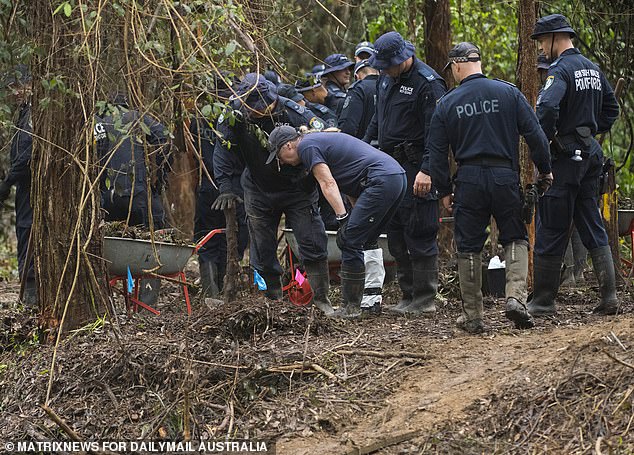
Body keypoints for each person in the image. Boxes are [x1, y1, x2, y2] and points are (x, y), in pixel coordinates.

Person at [426, 42, 552, 333]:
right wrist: (545, 170)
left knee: (469, 245)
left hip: (468, 180)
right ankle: (516, 299)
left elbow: (436, 152)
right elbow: (536, 136)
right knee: (515, 236)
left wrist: (444, 191)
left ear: (457, 66)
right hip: (504, 176)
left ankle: (473, 316)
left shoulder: (446, 103)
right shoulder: (508, 93)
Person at [212, 73, 333, 315]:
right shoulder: (233, 115)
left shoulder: (294, 111)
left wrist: (316, 177)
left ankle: (321, 298)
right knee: (262, 245)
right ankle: (272, 299)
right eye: (251, 107)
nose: (257, 111)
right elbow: (222, 149)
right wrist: (225, 185)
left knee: (311, 240)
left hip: (298, 188)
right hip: (258, 188)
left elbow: (325, 138)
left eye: (262, 106)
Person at [528, 14, 620, 316]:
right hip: (590, 156)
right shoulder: (593, 68)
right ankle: (609, 297)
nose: (542, 48)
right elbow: (611, 108)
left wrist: (550, 140)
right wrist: (589, 133)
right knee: (591, 220)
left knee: (552, 223)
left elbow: (547, 108)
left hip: (566, 157)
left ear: (555, 38)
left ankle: (542, 300)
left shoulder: (561, 70)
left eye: (542, 41)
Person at [266, 127, 406, 318]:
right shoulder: (319, 142)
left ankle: (351, 307)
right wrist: (353, 215)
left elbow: (328, 183)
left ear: (288, 145)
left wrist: (343, 219)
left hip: (380, 179)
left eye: (279, 155)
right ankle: (371, 302)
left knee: (349, 240)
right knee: (367, 239)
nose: (281, 162)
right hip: (395, 176)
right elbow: (351, 181)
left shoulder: (307, 146)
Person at [363, 31, 447, 317]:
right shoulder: (387, 79)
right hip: (389, 166)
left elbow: (437, 134)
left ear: (403, 58)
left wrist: (427, 170)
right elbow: (378, 118)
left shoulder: (428, 84)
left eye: (388, 64)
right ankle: (408, 292)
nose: (383, 69)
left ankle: (424, 297)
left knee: (420, 231)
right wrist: (365, 149)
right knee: (396, 231)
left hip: (417, 165)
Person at [99, 94, 172, 306]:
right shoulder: (136, 117)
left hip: (106, 199)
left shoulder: (95, 122)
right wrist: (161, 173)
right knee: (154, 242)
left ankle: (108, 304)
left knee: (112, 248)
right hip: (136, 194)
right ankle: (147, 305)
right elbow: (164, 138)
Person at [191, 74, 248, 298]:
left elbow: (191, 155)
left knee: (207, 238)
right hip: (235, 185)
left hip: (208, 182)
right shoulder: (238, 116)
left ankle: (210, 293)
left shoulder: (198, 119)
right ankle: (226, 292)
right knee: (231, 237)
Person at [537, 53, 588, 288]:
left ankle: (573, 274)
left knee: (562, 216)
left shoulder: (559, 87)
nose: (542, 74)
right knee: (574, 215)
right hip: (574, 155)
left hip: (564, 158)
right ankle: (572, 274)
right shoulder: (550, 88)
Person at [0, 65, 36, 308]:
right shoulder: (23, 113)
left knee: (28, 234)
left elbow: (25, 156)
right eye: (12, 88)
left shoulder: (34, 114)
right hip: (25, 191)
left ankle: (31, 299)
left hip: (32, 191)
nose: (15, 93)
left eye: (19, 87)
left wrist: (7, 183)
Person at [338, 60, 379, 139]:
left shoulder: (358, 88)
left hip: (363, 146)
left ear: (357, 77)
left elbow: (348, 126)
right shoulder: (389, 86)